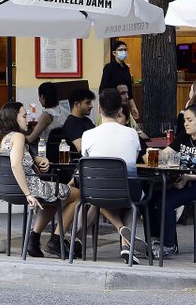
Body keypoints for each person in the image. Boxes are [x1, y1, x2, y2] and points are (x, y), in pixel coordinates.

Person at [0, 101, 82, 258]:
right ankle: (56, 240)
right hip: (29, 188)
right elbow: (15, 165)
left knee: (53, 199)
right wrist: (28, 194)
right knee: (77, 195)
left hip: (5, 190)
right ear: (13, 118)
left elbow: (16, 158)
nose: (28, 119)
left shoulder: (0, 138)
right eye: (24, 116)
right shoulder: (18, 136)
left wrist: (37, 159)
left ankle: (34, 239)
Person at [80, 88, 147, 263]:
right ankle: (126, 246)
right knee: (129, 203)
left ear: (99, 109)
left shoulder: (87, 135)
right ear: (120, 110)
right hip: (127, 191)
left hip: (96, 191)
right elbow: (134, 156)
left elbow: (85, 160)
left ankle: (120, 229)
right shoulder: (132, 134)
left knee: (97, 195)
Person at [151, 104, 196, 258]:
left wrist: (187, 175)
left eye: (190, 120)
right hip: (186, 181)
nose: (185, 124)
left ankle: (168, 245)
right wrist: (153, 154)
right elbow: (164, 156)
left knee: (167, 201)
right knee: (153, 197)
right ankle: (156, 239)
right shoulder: (183, 137)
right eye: (184, 120)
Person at [99, 40, 140, 123]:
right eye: (121, 50)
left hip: (123, 104)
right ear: (114, 53)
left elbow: (129, 91)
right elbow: (102, 89)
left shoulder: (126, 68)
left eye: (125, 50)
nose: (124, 52)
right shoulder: (109, 68)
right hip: (111, 105)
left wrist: (133, 107)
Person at [61, 88, 96, 152]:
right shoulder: (71, 123)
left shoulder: (87, 120)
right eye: (88, 103)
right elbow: (81, 148)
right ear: (76, 104)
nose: (91, 106)